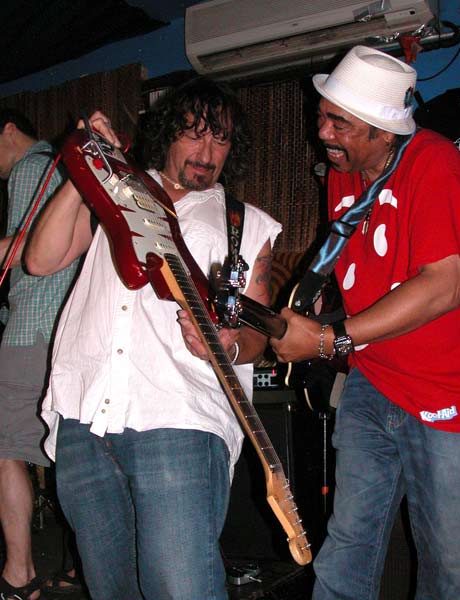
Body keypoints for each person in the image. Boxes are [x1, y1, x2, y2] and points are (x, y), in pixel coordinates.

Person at [24, 78, 281, 600]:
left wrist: (226, 343)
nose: (207, 153)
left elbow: (257, 336)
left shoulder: (244, 223)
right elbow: (39, 260)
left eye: (221, 140)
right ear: (167, 132)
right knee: (109, 588)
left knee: (181, 588)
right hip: (85, 409)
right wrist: (87, 169)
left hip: (178, 417)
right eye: (194, 134)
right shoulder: (118, 189)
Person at [270, 46, 460, 600]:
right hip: (376, 379)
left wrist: (330, 339)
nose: (322, 132)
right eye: (322, 114)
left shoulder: (434, 161)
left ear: (384, 132)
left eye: (339, 123)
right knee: (347, 541)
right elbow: (355, 262)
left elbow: (445, 284)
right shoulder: (343, 173)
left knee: (446, 569)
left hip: (450, 394)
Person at [0, 109, 81, 600]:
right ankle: (80, 563)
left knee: (4, 448)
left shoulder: (33, 165)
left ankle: (18, 573)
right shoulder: (58, 165)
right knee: (63, 451)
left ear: (8, 130)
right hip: (60, 331)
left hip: (33, 329)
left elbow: (25, 251)